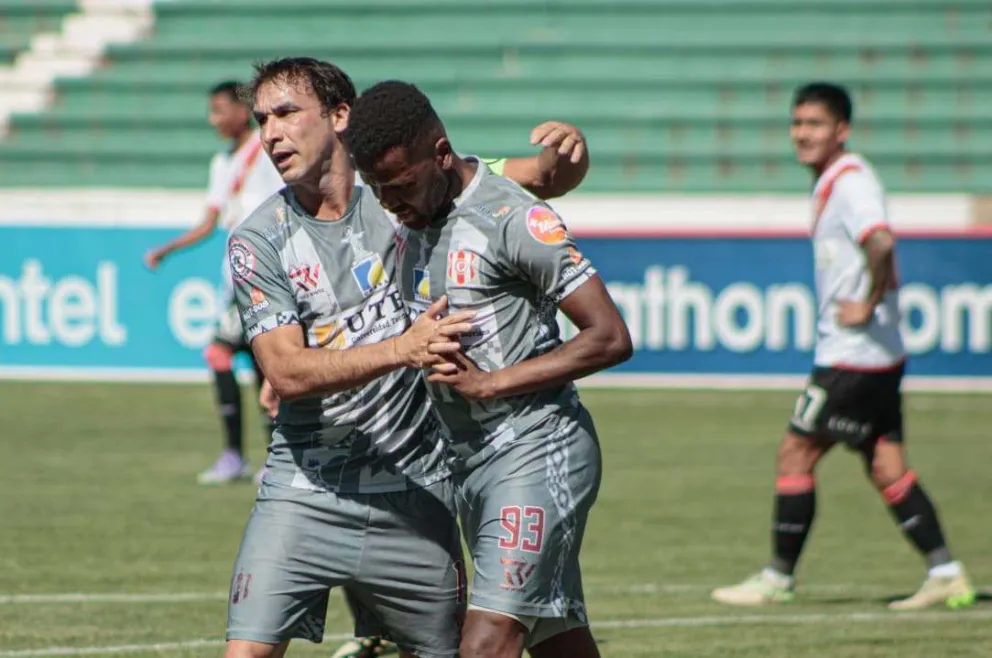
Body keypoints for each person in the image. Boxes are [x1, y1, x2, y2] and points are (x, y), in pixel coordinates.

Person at [226, 57, 591, 658]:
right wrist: (402, 348)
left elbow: (537, 178)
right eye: (261, 119)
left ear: (341, 116)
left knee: (492, 645)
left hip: (420, 494)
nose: (270, 133)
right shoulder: (258, 239)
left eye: (287, 113)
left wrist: (572, 151)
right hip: (305, 491)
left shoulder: (404, 188)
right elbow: (286, 372)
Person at [345, 80, 632, 658]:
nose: (387, 202)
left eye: (399, 185)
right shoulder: (409, 219)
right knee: (559, 640)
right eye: (375, 188)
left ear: (441, 154)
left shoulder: (512, 216)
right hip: (466, 463)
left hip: (535, 447)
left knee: (486, 642)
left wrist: (490, 383)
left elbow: (610, 337)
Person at [710, 82, 975, 610]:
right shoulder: (837, 180)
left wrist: (867, 301)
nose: (802, 134)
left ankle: (778, 578)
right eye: (797, 123)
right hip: (874, 355)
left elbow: (880, 241)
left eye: (814, 124)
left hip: (854, 357)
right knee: (887, 466)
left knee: (796, 451)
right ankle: (946, 571)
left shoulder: (852, 184)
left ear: (842, 130)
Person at [145, 80, 285, 485]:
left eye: (219, 110)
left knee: (228, 356)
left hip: (266, 276)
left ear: (242, 111)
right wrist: (168, 249)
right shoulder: (222, 162)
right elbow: (210, 221)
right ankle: (254, 458)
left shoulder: (268, 148)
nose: (213, 119)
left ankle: (247, 457)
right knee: (261, 363)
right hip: (236, 281)